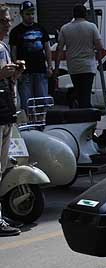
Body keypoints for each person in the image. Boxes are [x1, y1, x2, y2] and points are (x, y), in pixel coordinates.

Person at [0, 6, 25, 236]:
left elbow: (7, 80)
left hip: (6, 111)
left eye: (8, 20)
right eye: (3, 21)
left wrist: (15, 73)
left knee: (1, 168)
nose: (8, 24)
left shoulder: (4, 46)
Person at [54, 5, 103, 108]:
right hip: (88, 66)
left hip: (73, 67)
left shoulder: (65, 28)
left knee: (79, 91)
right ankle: (86, 114)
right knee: (86, 93)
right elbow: (99, 47)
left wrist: (57, 68)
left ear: (74, 14)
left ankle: (80, 110)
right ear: (85, 14)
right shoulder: (92, 27)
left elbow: (59, 49)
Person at [9, 1, 51, 111]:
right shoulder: (15, 31)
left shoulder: (41, 29)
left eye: (32, 13)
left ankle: (42, 123)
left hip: (40, 70)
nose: (30, 16)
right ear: (22, 14)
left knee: (42, 102)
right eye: (27, 14)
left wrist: (50, 66)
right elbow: (13, 52)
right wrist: (17, 70)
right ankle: (29, 124)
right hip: (24, 72)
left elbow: (47, 48)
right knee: (27, 103)